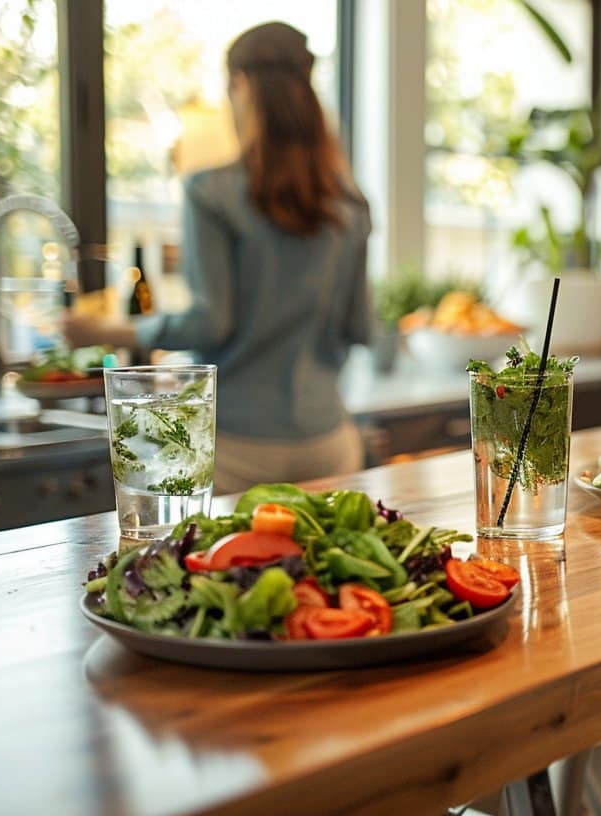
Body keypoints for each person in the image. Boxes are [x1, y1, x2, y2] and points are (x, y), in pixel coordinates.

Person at [65, 22, 372, 493]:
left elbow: (211, 323)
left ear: (242, 84)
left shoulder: (210, 191)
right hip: (329, 442)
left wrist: (104, 330)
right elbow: (361, 326)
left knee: (208, 566)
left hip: (235, 448)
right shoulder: (349, 204)